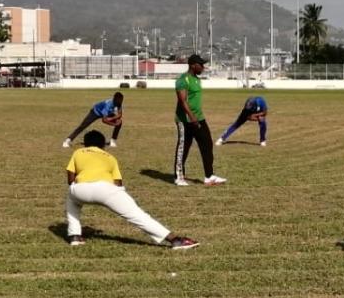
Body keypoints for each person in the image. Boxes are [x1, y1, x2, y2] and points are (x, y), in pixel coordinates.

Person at [66, 130, 198, 249]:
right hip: (106, 189)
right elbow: (118, 182)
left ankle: (75, 236)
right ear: (103, 145)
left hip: (80, 189)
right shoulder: (110, 157)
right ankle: (175, 240)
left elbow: (70, 174)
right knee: (137, 215)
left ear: (85, 144)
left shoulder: (78, 152)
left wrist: (74, 188)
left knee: (71, 199)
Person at [173, 54, 225, 186]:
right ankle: (179, 177)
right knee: (183, 147)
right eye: (200, 65)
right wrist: (192, 117)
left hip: (199, 118)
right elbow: (182, 101)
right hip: (185, 120)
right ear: (193, 65)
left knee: (207, 144)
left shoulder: (196, 79)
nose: (203, 67)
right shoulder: (183, 80)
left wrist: (197, 118)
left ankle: (209, 176)